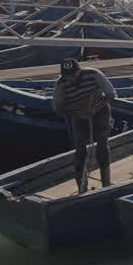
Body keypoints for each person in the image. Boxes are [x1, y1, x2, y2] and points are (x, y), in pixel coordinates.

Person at [51, 58, 117, 193]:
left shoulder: (94, 74)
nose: (71, 79)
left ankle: (106, 184)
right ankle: (82, 189)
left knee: (102, 146)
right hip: (79, 117)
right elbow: (58, 109)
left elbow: (111, 94)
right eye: (68, 76)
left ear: (79, 71)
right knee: (80, 151)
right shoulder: (61, 84)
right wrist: (76, 108)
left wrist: (96, 106)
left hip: (101, 112)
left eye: (73, 75)